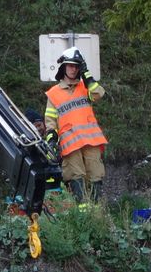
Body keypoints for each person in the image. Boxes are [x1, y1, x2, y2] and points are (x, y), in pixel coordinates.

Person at [43, 47, 107, 205]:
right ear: (64, 67)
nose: (73, 69)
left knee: (96, 174)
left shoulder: (85, 87)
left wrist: (87, 76)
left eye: (76, 66)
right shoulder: (54, 93)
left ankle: (97, 212)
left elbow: (99, 94)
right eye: (70, 65)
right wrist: (52, 141)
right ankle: (83, 214)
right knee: (75, 176)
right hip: (70, 144)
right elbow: (50, 121)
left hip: (91, 141)